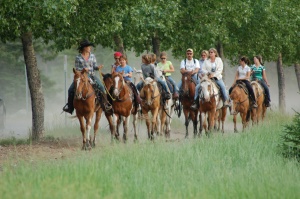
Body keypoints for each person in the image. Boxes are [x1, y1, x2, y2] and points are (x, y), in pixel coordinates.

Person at [62, 39, 112, 114]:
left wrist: (97, 67)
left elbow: (94, 66)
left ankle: (105, 104)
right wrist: (83, 70)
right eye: (88, 47)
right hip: (81, 76)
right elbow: (77, 69)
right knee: (70, 90)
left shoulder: (92, 56)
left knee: (101, 87)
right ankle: (69, 106)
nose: (90, 48)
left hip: (91, 76)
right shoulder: (78, 57)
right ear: (84, 48)